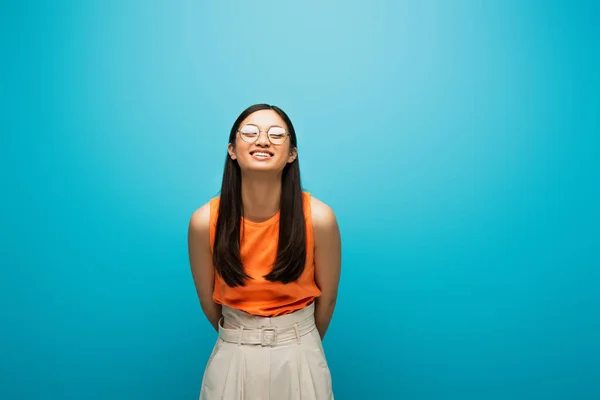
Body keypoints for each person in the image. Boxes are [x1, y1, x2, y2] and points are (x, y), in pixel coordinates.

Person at [187, 104, 342, 399]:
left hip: (300, 353)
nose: (262, 140)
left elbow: (328, 299)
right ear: (232, 149)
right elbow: (209, 303)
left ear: (292, 154)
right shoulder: (204, 221)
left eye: (276, 134)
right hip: (233, 353)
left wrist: (298, 341)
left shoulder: (320, 218)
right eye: (249, 132)